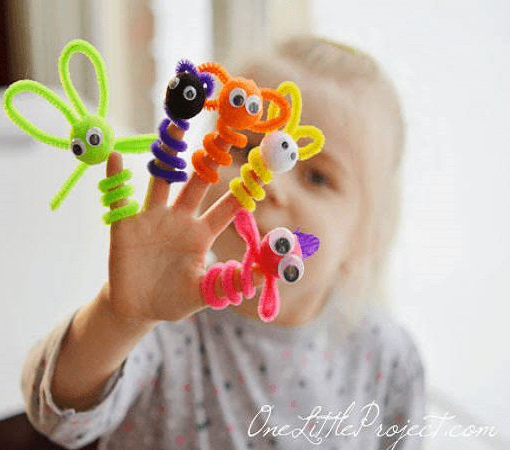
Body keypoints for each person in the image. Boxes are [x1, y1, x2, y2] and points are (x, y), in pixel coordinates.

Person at [21, 35, 425, 449]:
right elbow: (57, 417)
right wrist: (120, 317)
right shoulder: (164, 315)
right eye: (248, 148)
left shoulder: (386, 357)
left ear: (367, 239)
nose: (270, 182)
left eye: (317, 177)